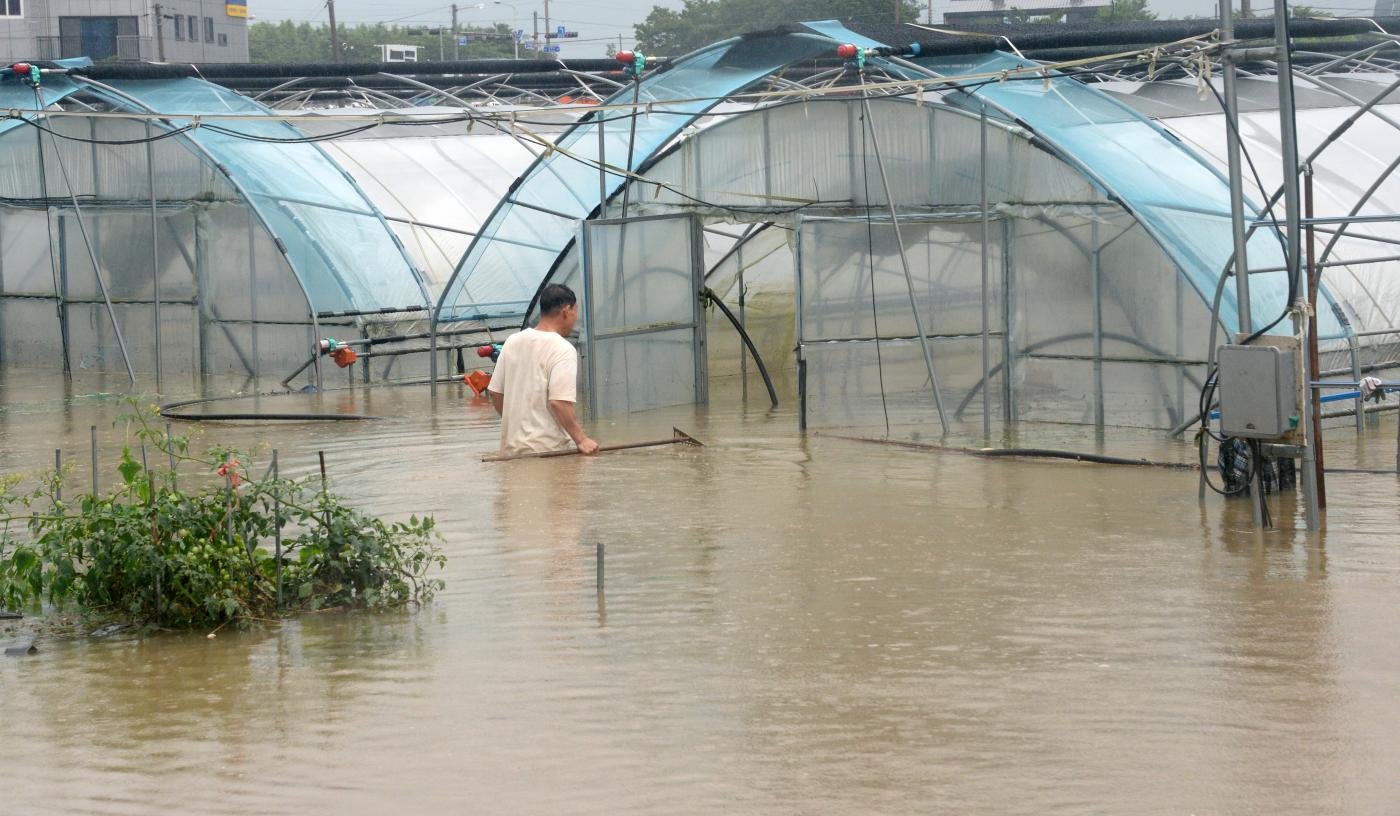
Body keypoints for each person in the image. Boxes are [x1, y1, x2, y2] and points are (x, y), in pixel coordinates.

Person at [487, 284, 600, 456]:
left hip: (511, 452)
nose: (575, 319)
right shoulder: (562, 348)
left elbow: (495, 392)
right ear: (566, 311)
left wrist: (518, 427)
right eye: (575, 312)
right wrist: (582, 440)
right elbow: (559, 402)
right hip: (547, 452)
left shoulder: (512, 341)